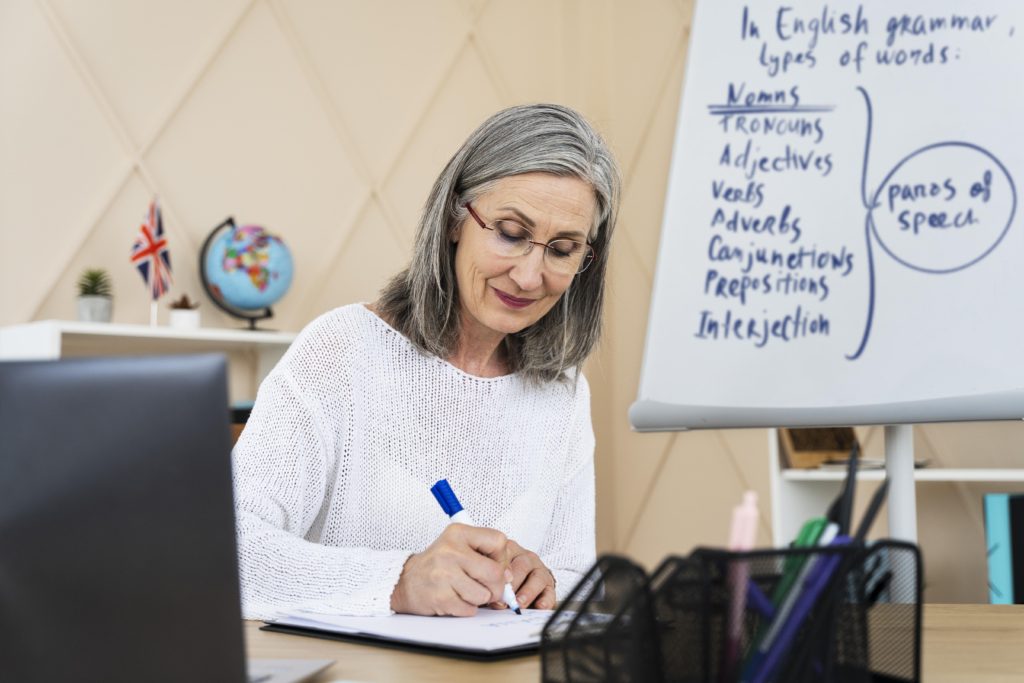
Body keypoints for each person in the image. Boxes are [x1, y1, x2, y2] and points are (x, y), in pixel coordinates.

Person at [232, 103, 621, 620]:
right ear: (456, 218)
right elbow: (228, 550)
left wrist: (545, 582)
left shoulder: (564, 392)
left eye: (563, 249)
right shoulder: (340, 352)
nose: (530, 276)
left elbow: (576, 582)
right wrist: (398, 582)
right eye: (509, 232)